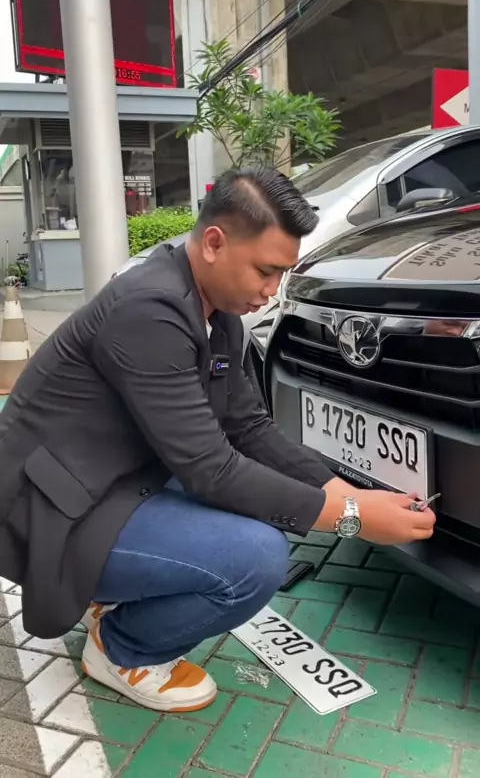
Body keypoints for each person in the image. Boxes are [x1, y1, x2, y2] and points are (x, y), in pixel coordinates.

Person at [0, 167, 435, 714]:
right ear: (213, 243)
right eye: (265, 271)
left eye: (281, 274)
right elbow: (212, 470)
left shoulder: (217, 312)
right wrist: (351, 518)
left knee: (256, 507)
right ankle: (123, 648)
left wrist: (347, 492)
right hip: (48, 510)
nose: (271, 290)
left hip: (110, 482)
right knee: (254, 556)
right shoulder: (149, 310)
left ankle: (108, 597)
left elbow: (248, 427)